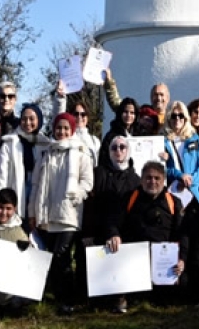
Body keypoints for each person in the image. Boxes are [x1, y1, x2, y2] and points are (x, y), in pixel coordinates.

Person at [28, 113, 93, 314]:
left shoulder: (80, 152)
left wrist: (78, 194)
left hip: (68, 215)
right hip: (47, 214)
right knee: (51, 258)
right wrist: (32, 211)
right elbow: (36, 184)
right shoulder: (46, 153)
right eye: (59, 128)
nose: (62, 132)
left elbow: (87, 181)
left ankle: (68, 299)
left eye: (66, 128)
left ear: (72, 130)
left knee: (62, 256)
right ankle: (57, 296)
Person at [105, 161, 186, 303]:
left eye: (157, 178)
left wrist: (182, 260)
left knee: (181, 290)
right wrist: (114, 235)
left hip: (164, 262)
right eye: (148, 178)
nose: (152, 182)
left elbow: (182, 233)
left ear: (163, 180)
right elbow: (113, 221)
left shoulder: (174, 202)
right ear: (141, 179)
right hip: (134, 261)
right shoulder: (129, 198)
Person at [82, 135, 140, 313]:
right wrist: (88, 232)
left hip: (126, 231)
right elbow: (91, 204)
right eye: (114, 147)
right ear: (108, 152)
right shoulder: (98, 173)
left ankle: (121, 298)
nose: (118, 151)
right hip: (101, 226)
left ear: (128, 151)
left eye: (122, 147)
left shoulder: (136, 179)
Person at [0, 102, 47, 223]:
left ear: (39, 121)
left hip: (37, 191)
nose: (27, 123)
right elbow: (0, 176)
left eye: (32, 119)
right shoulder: (10, 143)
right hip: (17, 190)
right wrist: (1, 203)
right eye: (24, 119)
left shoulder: (45, 145)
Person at [162, 101, 199, 204]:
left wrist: (190, 181)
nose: (177, 119)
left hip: (194, 192)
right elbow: (161, 169)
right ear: (169, 118)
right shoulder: (162, 141)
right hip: (172, 191)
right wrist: (179, 176)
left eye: (180, 115)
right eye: (173, 116)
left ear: (186, 118)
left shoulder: (195, 139)